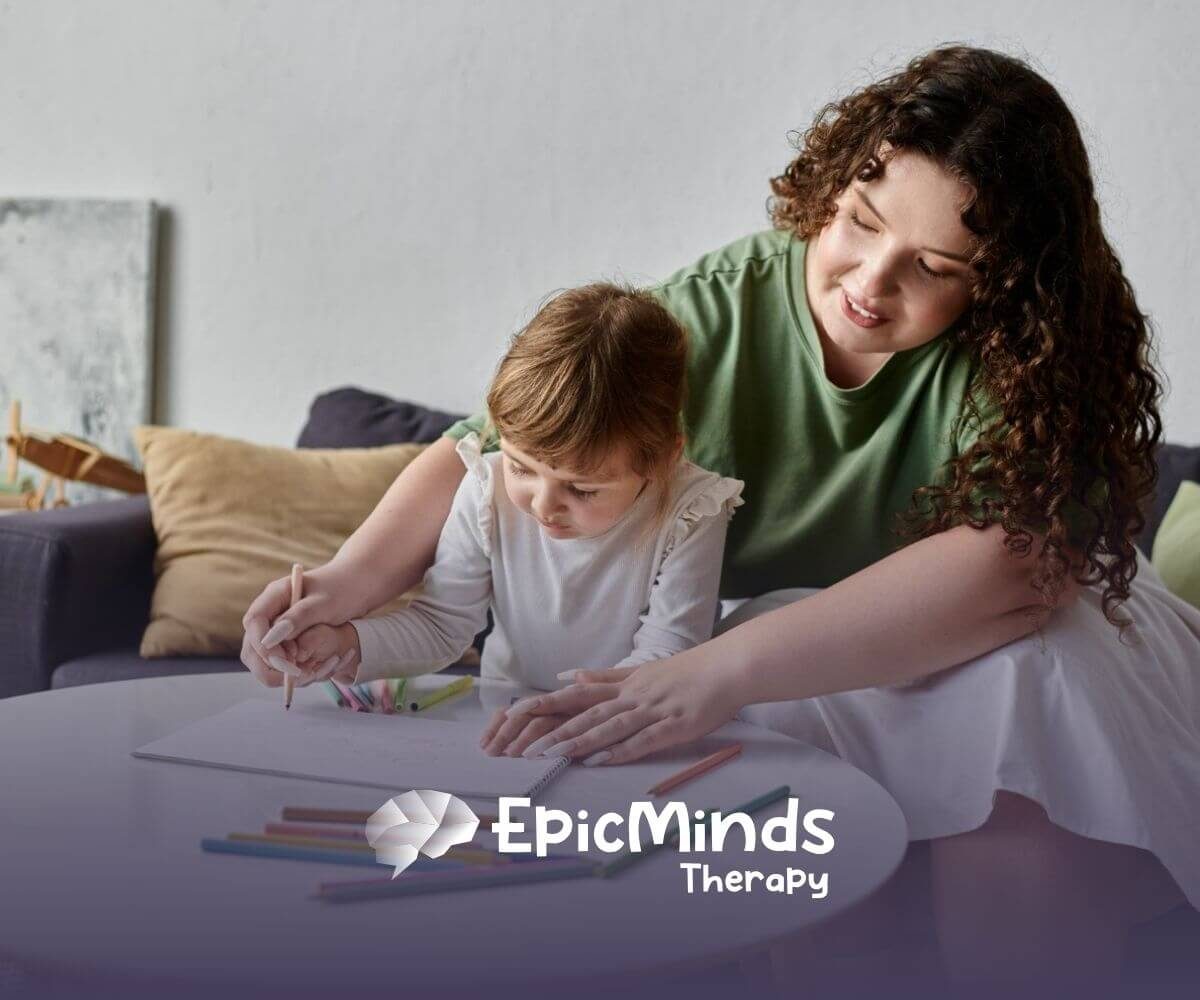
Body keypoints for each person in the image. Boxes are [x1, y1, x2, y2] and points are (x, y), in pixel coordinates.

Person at [243, 46, 1198, 989]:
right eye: (859, 224)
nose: (871, 282)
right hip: (801, 640)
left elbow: (1013, 572)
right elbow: (486, 446)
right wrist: (341, 587)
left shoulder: (1019, 360)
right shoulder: (719, 309)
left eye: (935, 267)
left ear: (1001, 281)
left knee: (1026, 690)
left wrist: (708, 675)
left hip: (1002, 639)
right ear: (830, 188)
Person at [250, 282, 743, 756]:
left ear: (662, 460)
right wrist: (341, 644)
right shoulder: (486, 489)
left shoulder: (693, 509)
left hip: (630, 727)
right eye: (521, 468)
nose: (543, 505)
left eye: (582, 488)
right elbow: (442, 624)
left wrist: (569, 712)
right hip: (506, 724)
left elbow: (668, 656)